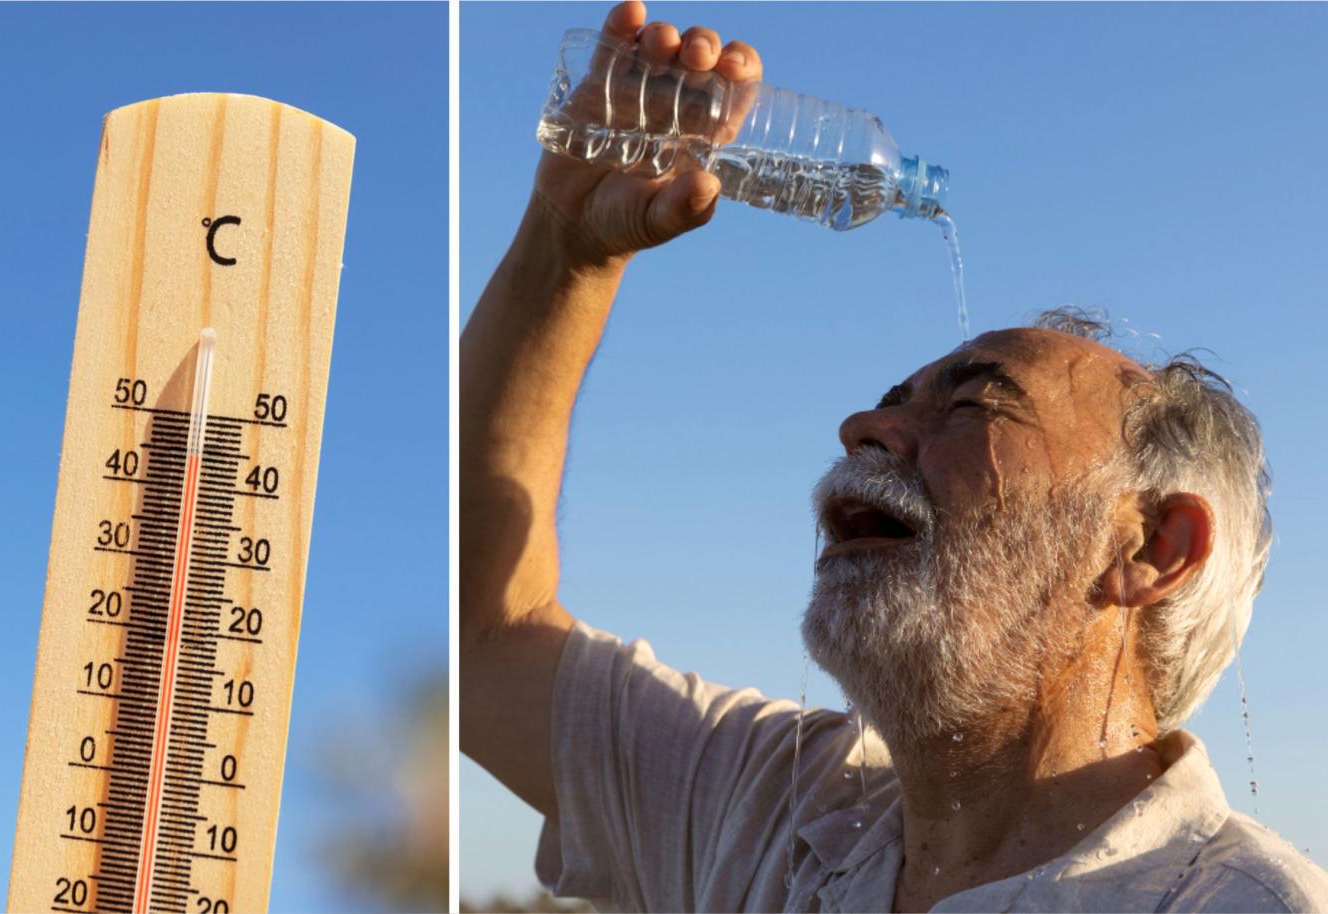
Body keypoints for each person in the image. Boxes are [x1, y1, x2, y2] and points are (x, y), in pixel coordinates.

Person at [460, 3, 1328, 910]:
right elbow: (482, 632)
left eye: (976, 401)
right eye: (888, 402)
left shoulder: (1236, 901)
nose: (862, 430)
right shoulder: (774, 808)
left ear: (1150, 549)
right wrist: (566, 251)